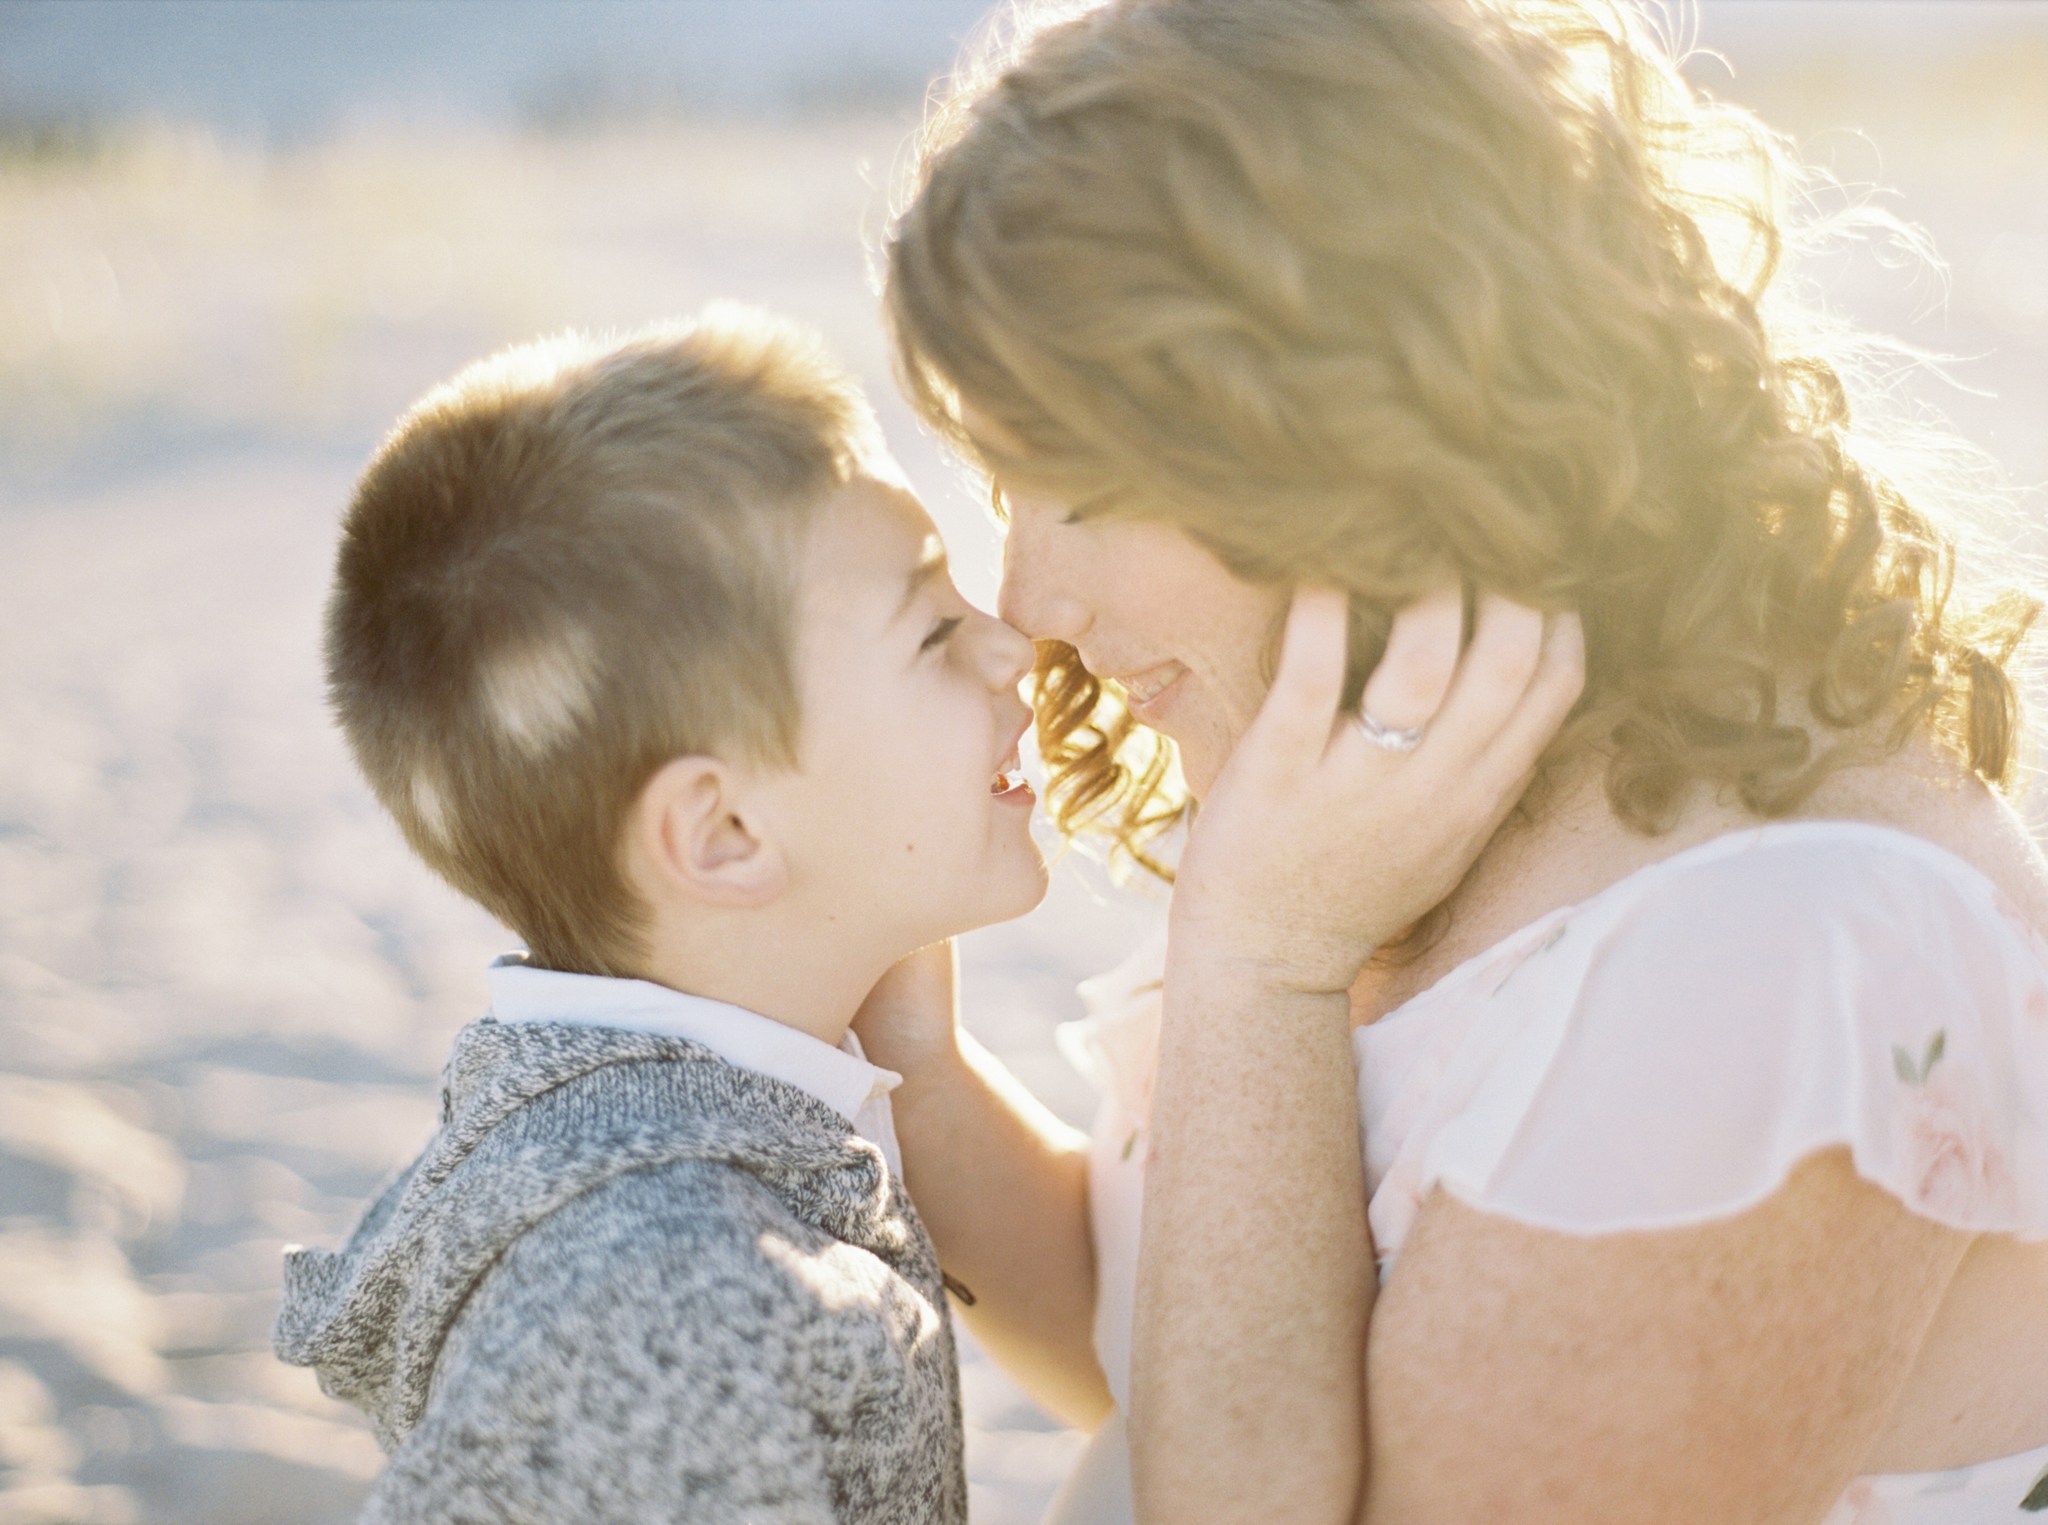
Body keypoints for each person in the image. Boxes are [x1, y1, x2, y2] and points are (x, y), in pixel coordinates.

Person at [861, 1, 2048, 1521]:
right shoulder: (1412, 806)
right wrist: (905, 1045)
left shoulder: (1778, 956)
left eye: (1084, 486)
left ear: (1360, 431)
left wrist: (1258, 962)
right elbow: (1188, 1357)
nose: (1030, 603)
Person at [272, 310, 1050, 1524]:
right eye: (935, 630)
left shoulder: (656, 1131)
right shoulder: (680, 1299)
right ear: (723, 834)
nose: (1014, 649)